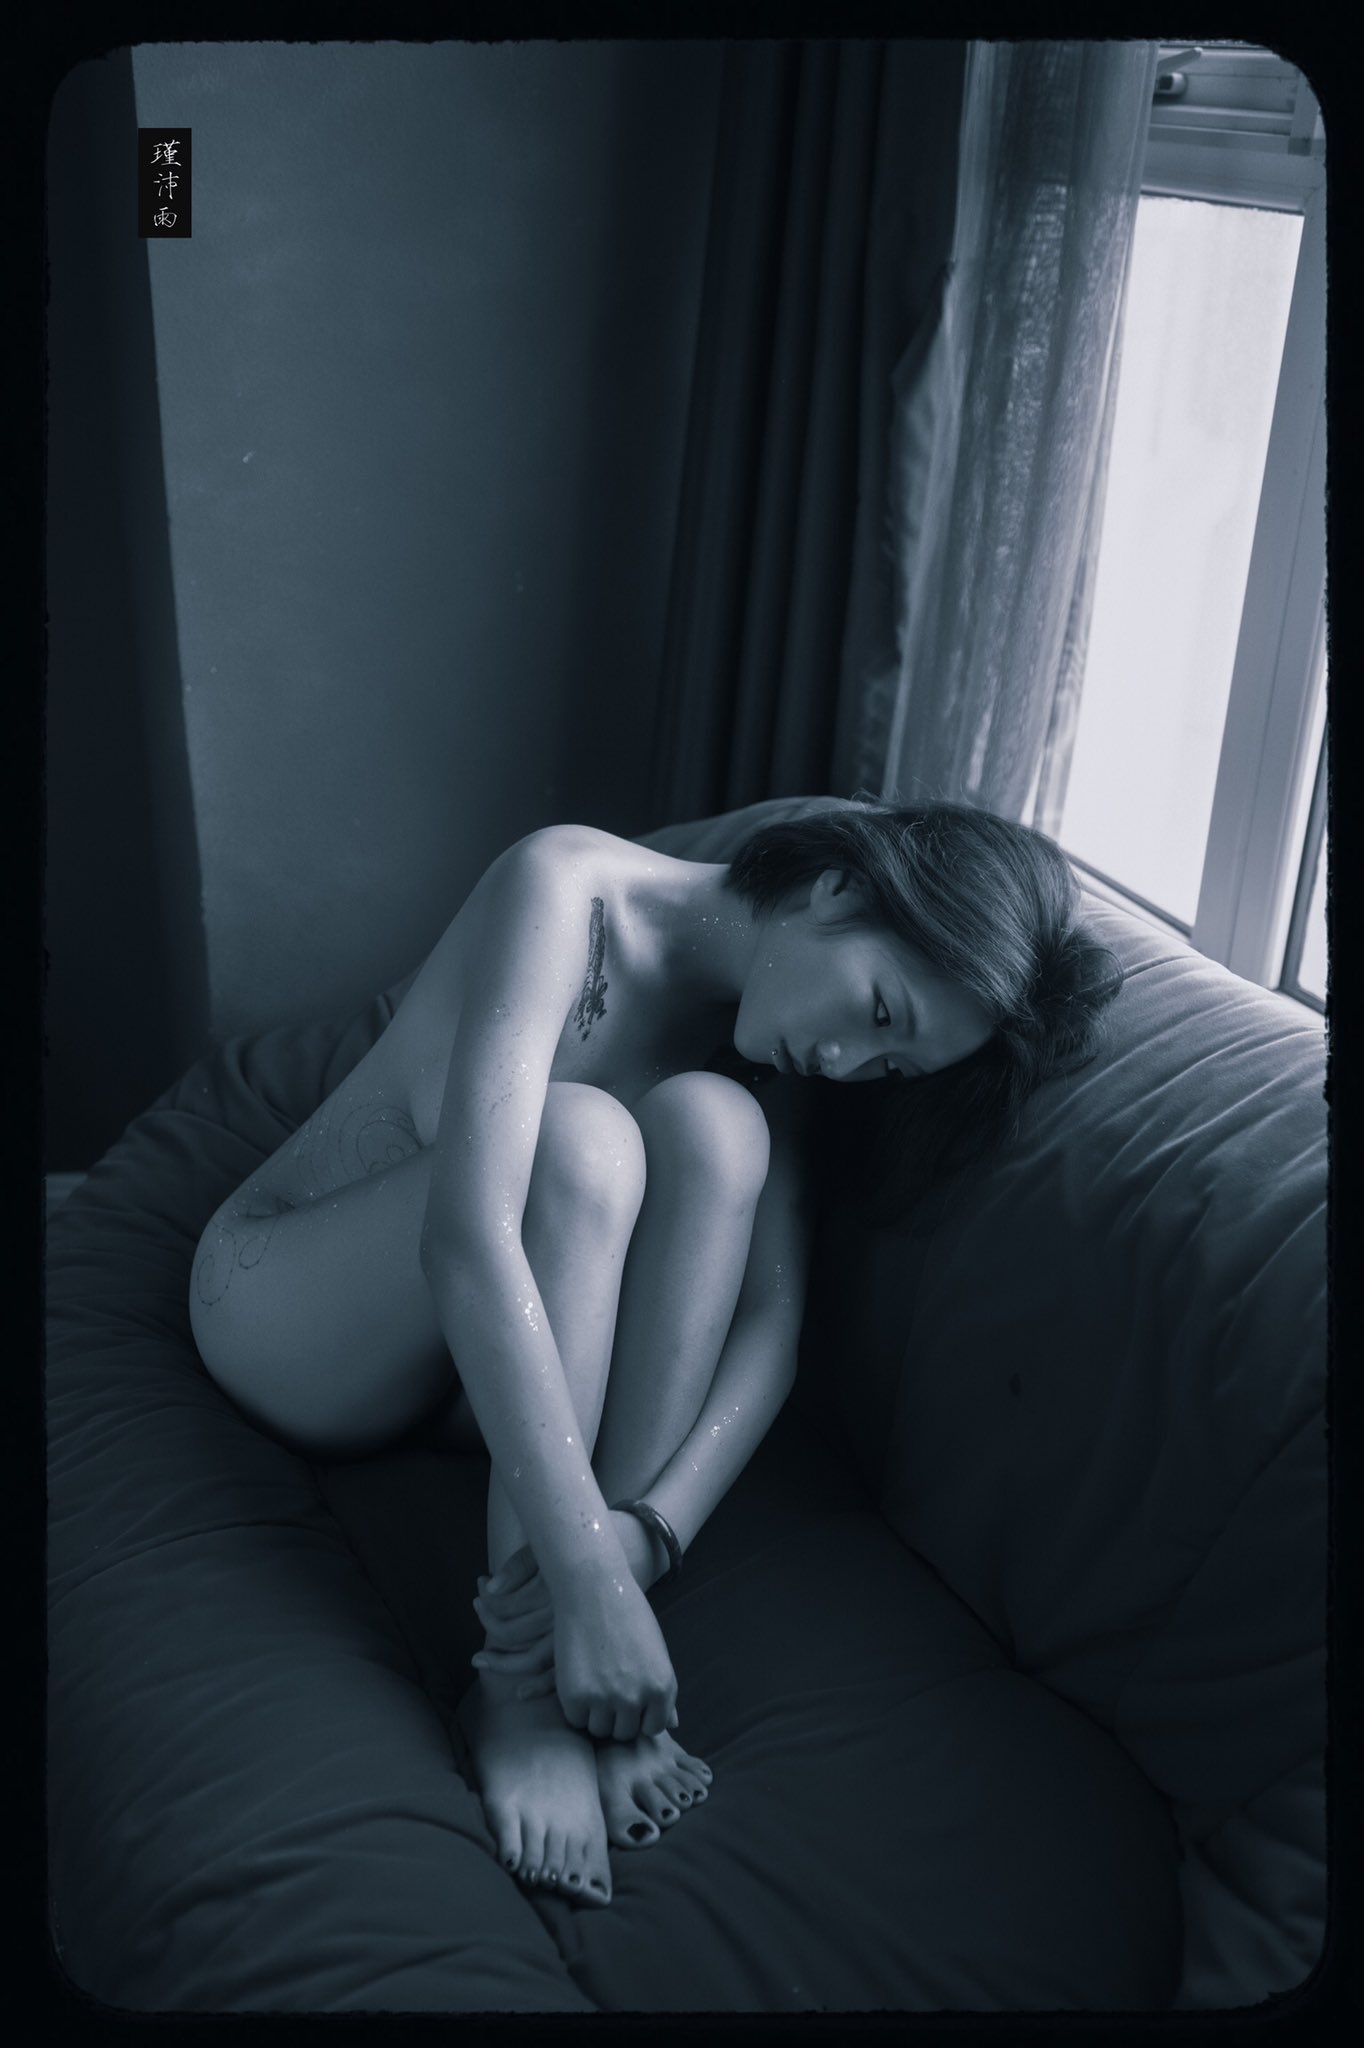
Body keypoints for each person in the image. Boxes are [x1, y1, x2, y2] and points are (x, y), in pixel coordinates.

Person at [188, 797, 1123, 1909]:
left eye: (888, 1065)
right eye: (879, 1009)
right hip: (290, 1308)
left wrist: (646, 1537)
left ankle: (558, 1638)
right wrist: (585, 1571)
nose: (844, 1060)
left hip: (475, 1385)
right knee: (580, 1140)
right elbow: (467, 1238)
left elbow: (770, 1325)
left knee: (719, 1126)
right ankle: (525, 1691)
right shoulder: (566, 887)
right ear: (840, 888)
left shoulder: (777, 1053)